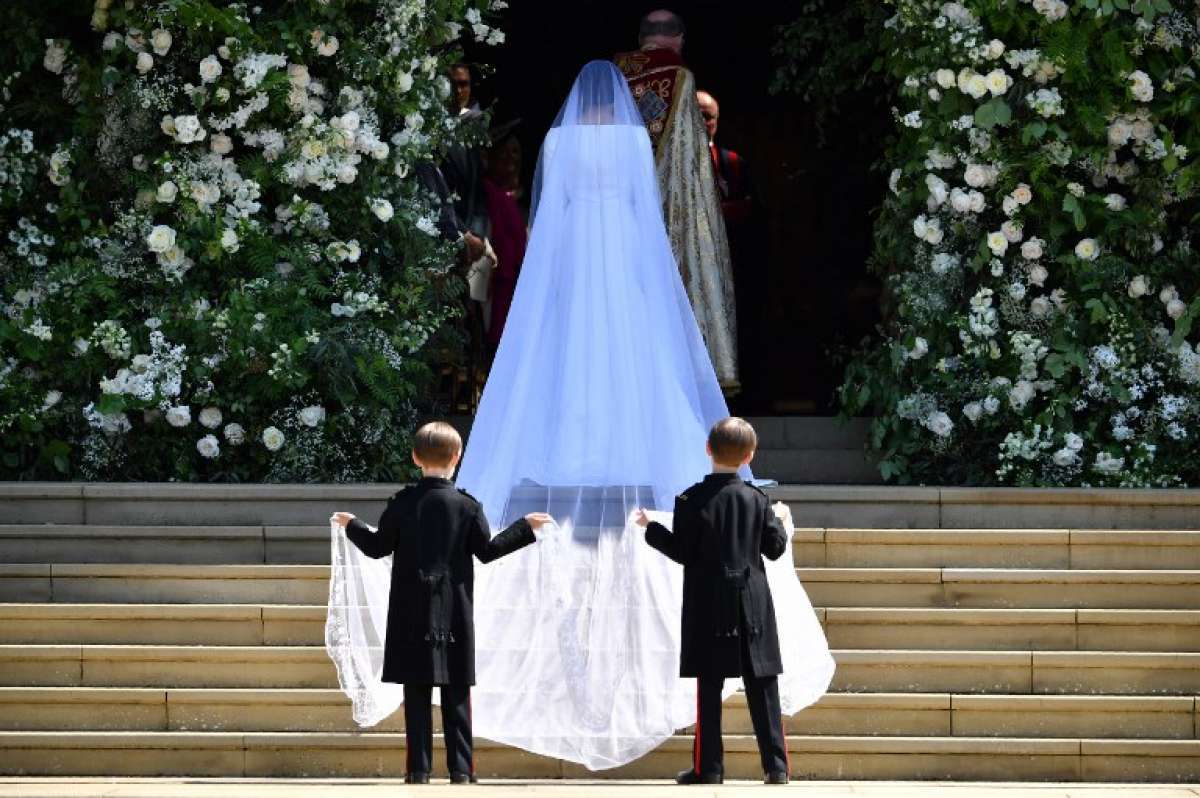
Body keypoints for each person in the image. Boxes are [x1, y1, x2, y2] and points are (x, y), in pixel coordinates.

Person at [325, 61, 835, 774]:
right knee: (627, 359)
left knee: (571, 365)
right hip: (625, 274)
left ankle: (575, 458)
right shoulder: (631, 147)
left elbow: (549, 220)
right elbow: (644, 215)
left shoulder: (560, 144)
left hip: (572, 271)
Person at [330, 421, 553, 784]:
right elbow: (489, 551)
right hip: (455, 613)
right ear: (458, 457)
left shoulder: (402, 503)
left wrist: (353, 525)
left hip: (408, 614)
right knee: (457, 697)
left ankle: (418, 771)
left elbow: (377, 548)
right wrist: (524, 528)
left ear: (416, 457)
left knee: (415, 697)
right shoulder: (467, 505)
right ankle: (461, 771)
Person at [636, 417, 791, 785]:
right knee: (763, 684)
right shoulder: (758, 498)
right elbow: (774, 549)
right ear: (750, 455)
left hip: (708, 600)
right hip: (752, 601)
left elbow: (682, 551)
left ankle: (710, 768)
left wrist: (651, 529)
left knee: (709, 685)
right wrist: (780, 520)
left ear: (708, 449)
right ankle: (777, 766)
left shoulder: (690, 500)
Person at [615, 9, 740, 393]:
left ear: (641, 39)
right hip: (671, 213)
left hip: (621, 211)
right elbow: (691, 164)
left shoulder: (615, 76)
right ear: (679, 40)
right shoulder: (682, 79)